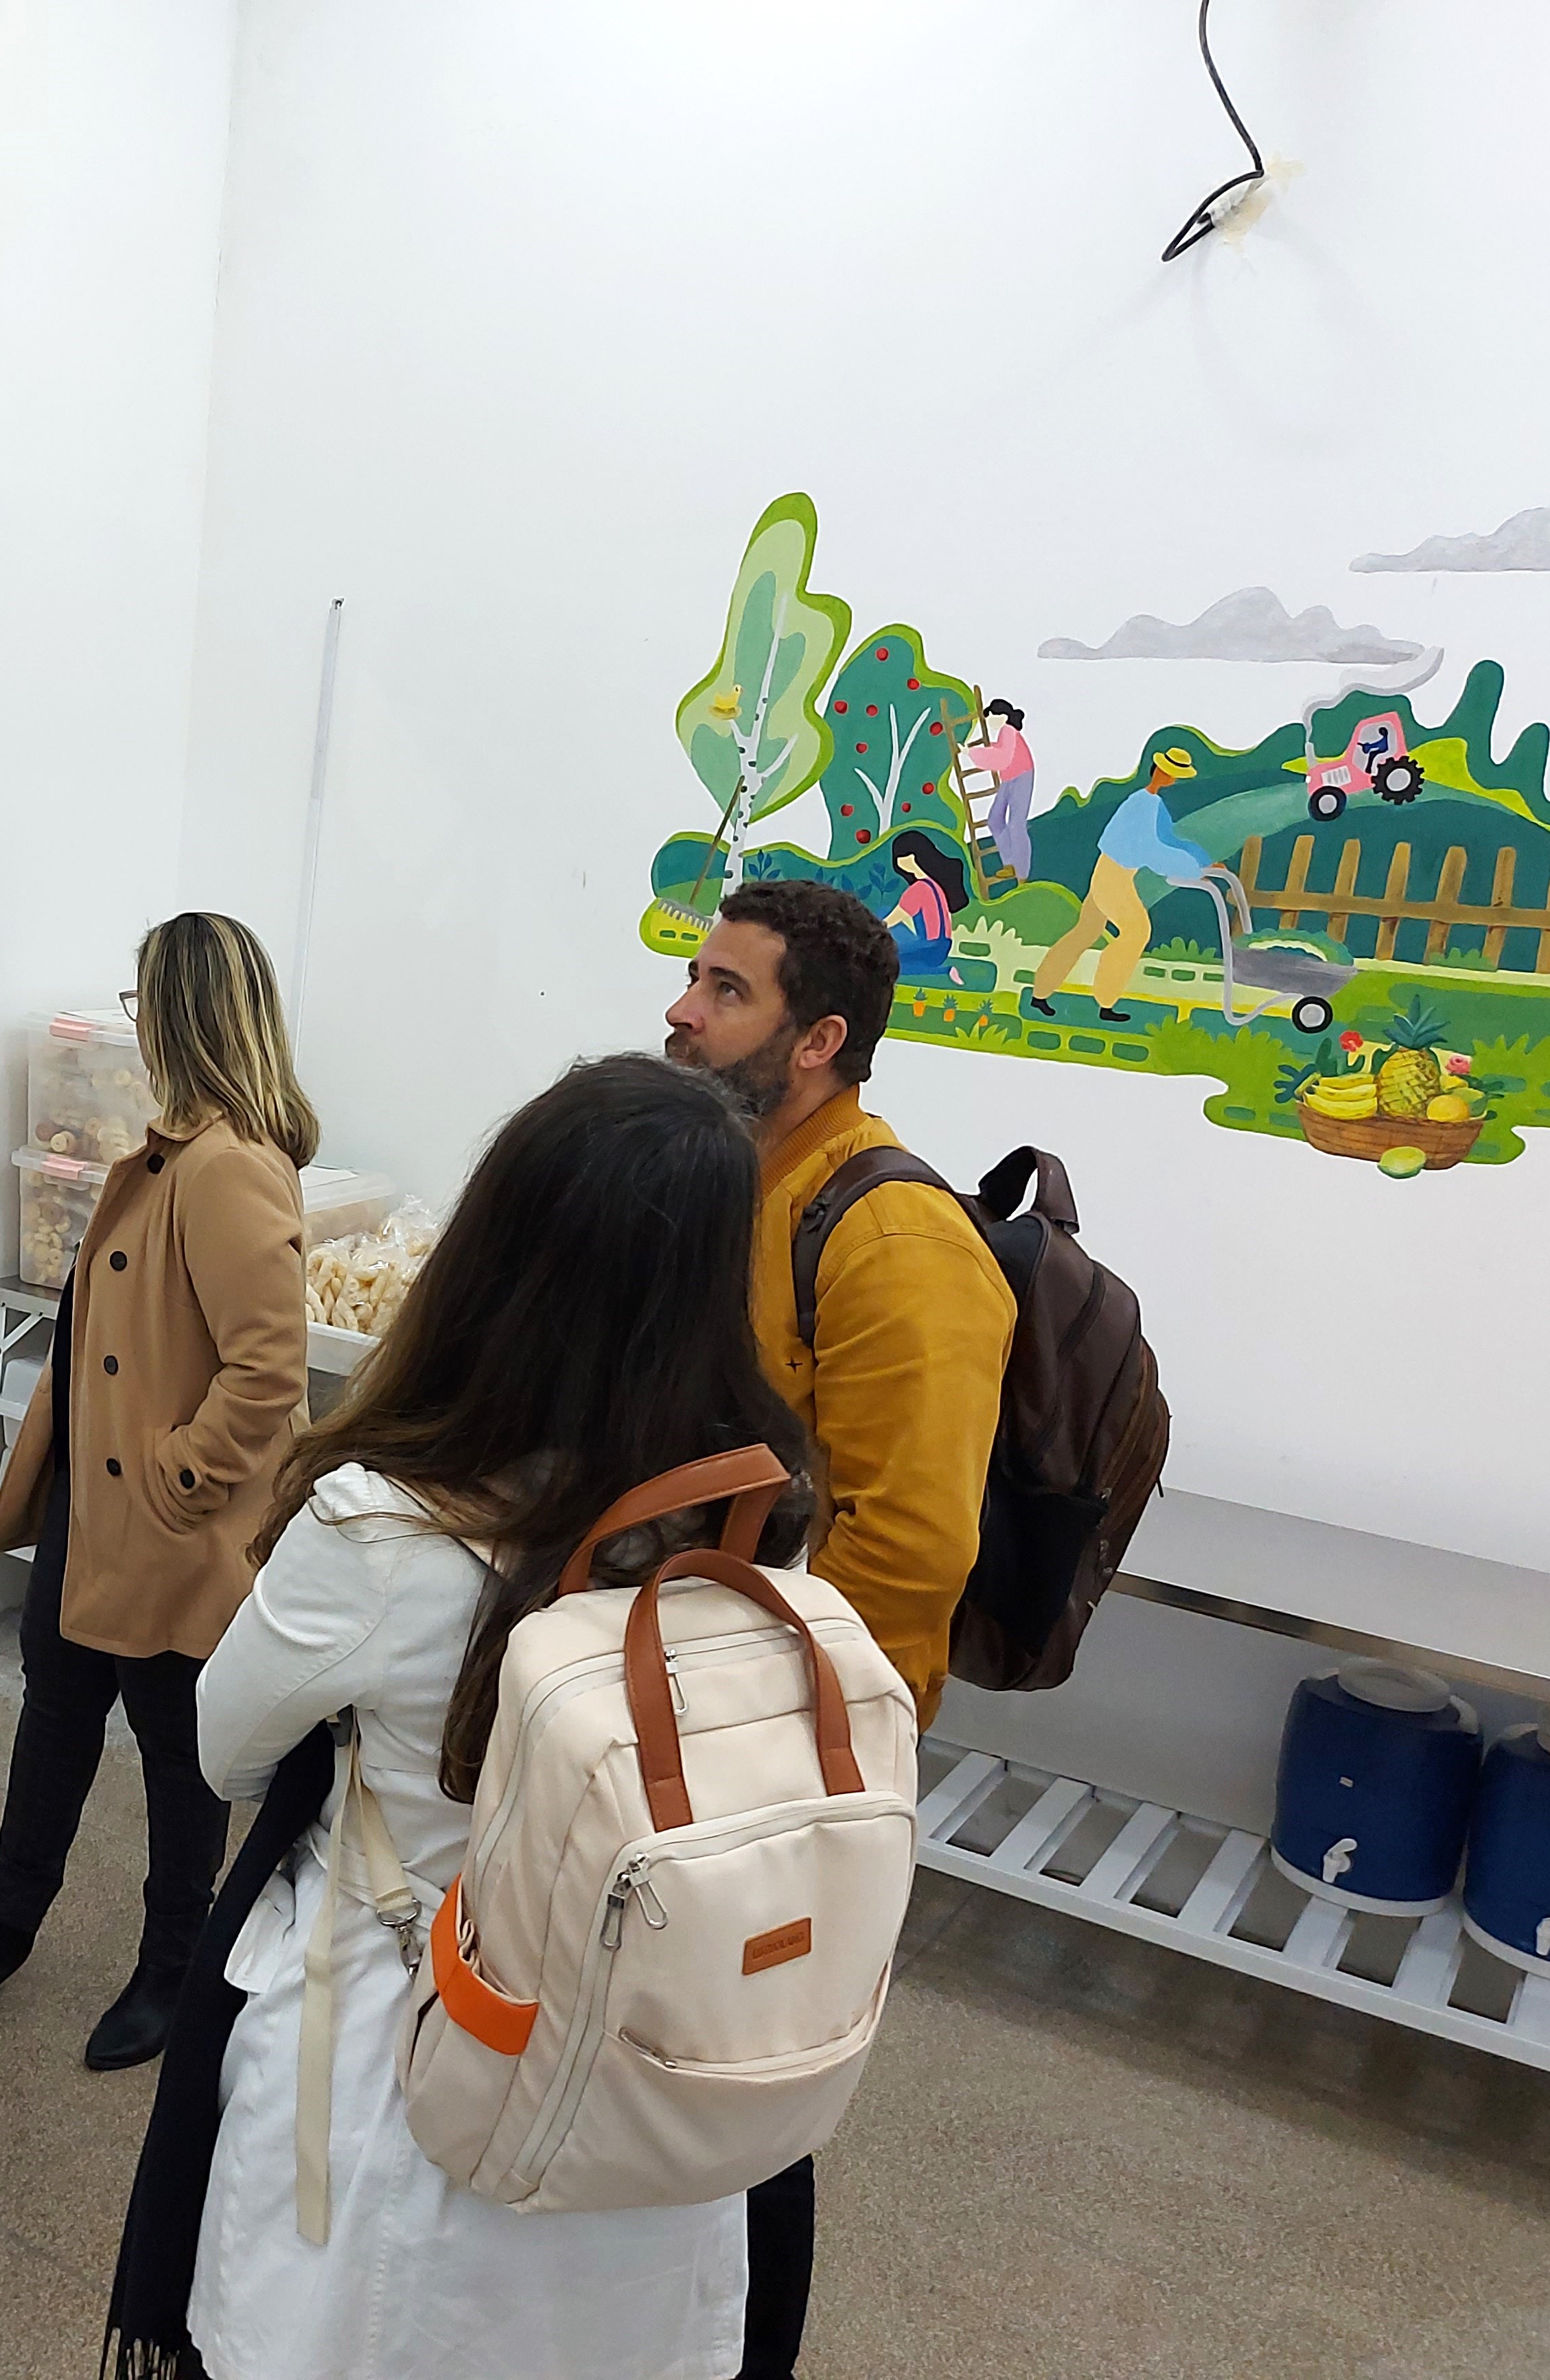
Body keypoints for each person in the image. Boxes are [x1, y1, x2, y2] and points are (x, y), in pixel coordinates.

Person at [102, 1054, 809, 2380]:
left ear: (492, 1254)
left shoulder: (384, 1522)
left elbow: (224, 1746)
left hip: (411, 2043)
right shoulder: (755, 1521)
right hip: (651, 2061)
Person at [662, 876, 1014, 2380]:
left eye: (722, 989)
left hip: (789, 1747)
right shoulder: (734, 1181)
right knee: (666, 2062)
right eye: (692, 977)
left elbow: (912, 1545)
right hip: (681, 1704)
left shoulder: (890, 1234)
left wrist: (773, 1739)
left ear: (816, 1040)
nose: (679, 1009)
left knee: (752, 2086)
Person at [0, 913, 315, 2071]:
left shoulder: (228, 1165)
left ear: (179, 1011)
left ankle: (174, 1968)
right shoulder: (177, 1152)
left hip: (165, 1516)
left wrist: (181, 1473)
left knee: (175, 1746)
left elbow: (268, 1368)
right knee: (58, 1702)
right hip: (96, 1500)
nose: (137, 1024)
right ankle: (5, 1909)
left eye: (141, 1000)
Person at [1026, 746, 1214, 1023]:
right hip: (1113, 875)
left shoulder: (1154, 804)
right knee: (1137, 931)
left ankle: (1041, 993)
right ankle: (1105, 1001)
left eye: (1175, 775)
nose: (1172, 779)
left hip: (1111, 872)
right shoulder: (1141, 804)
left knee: (1086, 932)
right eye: (1170, 773)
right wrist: (1192, 870)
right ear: (1159, 771)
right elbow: (1151, 849)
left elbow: (1170, 839)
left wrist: (1204, 860)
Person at [883, 829, 967, 981]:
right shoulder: (936, 886)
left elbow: (891, 920)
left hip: (929, 949)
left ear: (913, 857)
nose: (897, 860)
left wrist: (868, 932)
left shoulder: (919, 889)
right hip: (942, 946)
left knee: (886, 962)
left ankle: (945, 972)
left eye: (900, 855)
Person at [967, 696, 1036, 881]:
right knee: (995, 820)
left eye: (991, 717)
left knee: (1016, 825)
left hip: (1022, 776)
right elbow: (999, 752)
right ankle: (1010, 863)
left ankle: (1022, 873)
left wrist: (972, 753)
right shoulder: (1004, 733)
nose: (989, 722)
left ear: (1002, 716)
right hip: (1010, 778)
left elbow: (1002, 758)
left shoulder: (1008, 731)